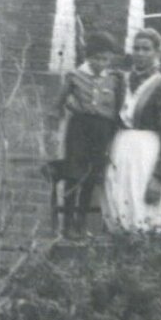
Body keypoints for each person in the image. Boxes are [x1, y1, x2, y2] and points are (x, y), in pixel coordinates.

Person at [101, 29, 161, 234]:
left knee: (144, 212)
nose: (140, 53)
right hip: (120, 151)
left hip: (147, 155)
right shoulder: (121, 82)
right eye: (136, 48)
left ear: (157, 52)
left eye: (146, 49)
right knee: (118, 207)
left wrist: (159, 176)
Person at [53, 30, 123, 238]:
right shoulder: (75, 76)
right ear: (88, 56)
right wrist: (67, 108)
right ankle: (67, 223)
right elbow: (59, 103)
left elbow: (118, 108)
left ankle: (81, 222)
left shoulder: (115, 79)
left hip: (102, 130)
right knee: (73, 174)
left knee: (91, 175)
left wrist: (114, 130)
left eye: (105, 59)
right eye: (96, 58)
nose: (100, 63)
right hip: (79, 129)